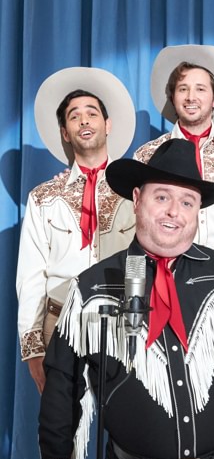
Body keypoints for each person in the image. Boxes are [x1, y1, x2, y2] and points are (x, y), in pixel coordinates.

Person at [38, 139, 214, 459]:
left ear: (197, 211)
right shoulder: (92, 288)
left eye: (187, 201)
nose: (174, 211)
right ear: (137, 199)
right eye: (162, 197)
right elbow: (62, 384)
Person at [17, 67, 136, 394]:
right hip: (60, 322)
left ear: (107, 125)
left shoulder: (135, 190)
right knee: (61, 433)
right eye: (74, 116)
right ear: (65, 133)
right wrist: (33, 347)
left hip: (122, 323)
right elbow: (31, 275)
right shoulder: (43, 197)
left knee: (127, 434)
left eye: (92, 113)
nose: (84, 120)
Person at [134, 44, 214, 249]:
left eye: (200, 89)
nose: (191, 97)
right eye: (183, 89)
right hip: (164, 269)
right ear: (173, 98)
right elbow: (137, 220)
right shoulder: (146, 155)